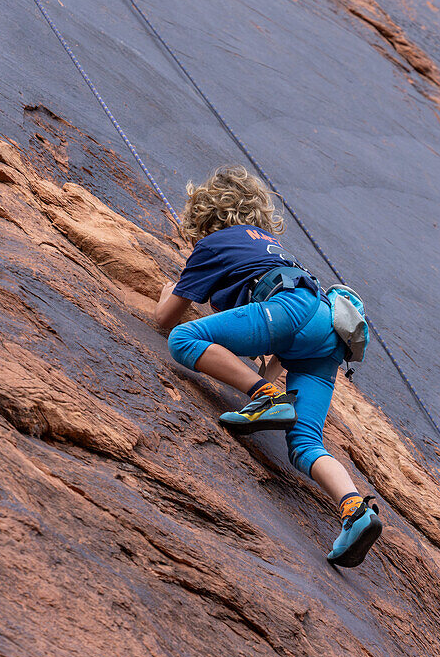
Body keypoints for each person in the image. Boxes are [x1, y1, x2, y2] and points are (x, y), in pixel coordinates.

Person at [155, 165, 382, 567]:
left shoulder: (213, 244)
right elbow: (277, 358)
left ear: (204, 215)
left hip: (288, 310)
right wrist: (265, 387)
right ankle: (354, 510)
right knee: (306, 444)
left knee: (183, 340)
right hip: (325, 333)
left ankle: (262, 399)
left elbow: (166, 320)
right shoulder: (271, 246)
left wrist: (167, 291)